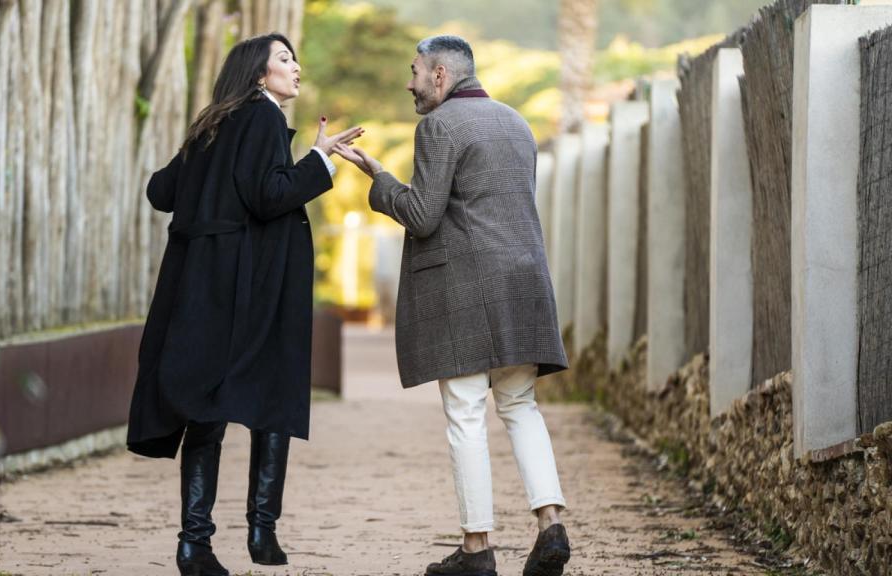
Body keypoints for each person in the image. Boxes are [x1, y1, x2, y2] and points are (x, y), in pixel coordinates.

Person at [125, 33, 362, 576]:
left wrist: (203, 164)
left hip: (199, 284)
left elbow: (162, 192)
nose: (296, 66)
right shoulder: (261, 118)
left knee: (209, 406)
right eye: (284, 59)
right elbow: (268, 194)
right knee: (269, 388)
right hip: (248, 284)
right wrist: (320, 160)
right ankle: (261, 530)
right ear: (259, 74)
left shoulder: (214, 122)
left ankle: (196, 543)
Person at [336, 35, 572, 576]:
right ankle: (551, 525)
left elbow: (422, 215)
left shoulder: (439, 126)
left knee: (466, 414)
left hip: (467, 291)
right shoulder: (517, 122)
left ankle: (476, 548)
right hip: (525, 284)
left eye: (415, 71)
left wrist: (379, 178)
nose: (409, 82)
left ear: (441, 76)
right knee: (520, 407)